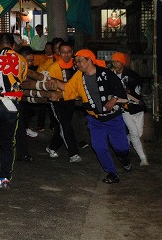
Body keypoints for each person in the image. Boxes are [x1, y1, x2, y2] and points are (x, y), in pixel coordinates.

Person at [53, 49, 131, 183]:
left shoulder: (106, 74)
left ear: (89, 60)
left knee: (121, 147)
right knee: (99, 147)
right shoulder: (79, 76)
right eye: (76, 61)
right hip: (95, 120)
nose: (77, 64)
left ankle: (125, 159)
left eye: (80, 61)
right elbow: (69, 89)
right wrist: (53, 82)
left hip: (113, 118)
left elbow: (121, 92)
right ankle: (111, 172)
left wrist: (114, 99)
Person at [0, 32, 27, 189]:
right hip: (12, 104)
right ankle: (5, 177)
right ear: (13, 45)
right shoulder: (21, 59)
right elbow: (21, 78)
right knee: (8, 142)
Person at [45, 41, 82, 163]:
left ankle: (51, 147)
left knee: (64, 126)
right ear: (59, 53)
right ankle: (73, 153)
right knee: (65, 125)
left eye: (69, 52)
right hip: (57, 101)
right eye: (63, 52)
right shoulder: (54, 67)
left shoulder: (76, 65)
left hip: (70, 99)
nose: (66, 55)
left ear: (72, 52)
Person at [111, 51, 149, 166]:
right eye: (113, 61)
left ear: (122, 62)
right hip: (125, 109)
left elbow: (137, 92)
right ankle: (143, 158)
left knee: (139, 133)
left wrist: (133, 97)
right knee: (134, 133)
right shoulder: (111, 75)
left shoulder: (132, 75)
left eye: (117, 61)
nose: (115, 63)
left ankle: (127, 139)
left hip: (137, 108)